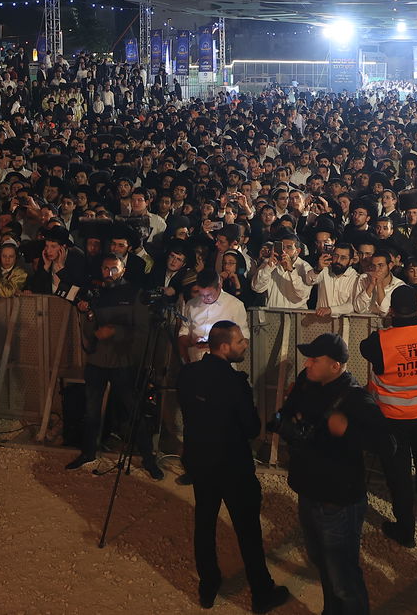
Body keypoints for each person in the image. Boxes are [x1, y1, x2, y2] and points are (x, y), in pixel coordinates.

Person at [176, 320, 290, 613]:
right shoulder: (235, 382)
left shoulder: (188, 375)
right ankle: (262, 593)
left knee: (204, 523)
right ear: (224, 346)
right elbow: (252, 428)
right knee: (248, 531)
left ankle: (208, 584)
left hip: (201, 463)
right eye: (240, 342)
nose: (245, 345)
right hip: (232, 466)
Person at [275, 332, 387, 615]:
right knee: (322, 563)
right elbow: (287, 413)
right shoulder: (306, 380)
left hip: (337, 501)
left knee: (344, 578)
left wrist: (348, 430)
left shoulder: (355, 399)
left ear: (336, 366)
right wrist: (288, 425)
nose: (308, 363)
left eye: (315, 359)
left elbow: (388, 444)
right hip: (308, 491)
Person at [360, 284, 417, 547]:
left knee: (398, 474)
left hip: (393, 417)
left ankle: (406, 529)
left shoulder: (380, 340)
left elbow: (364, 350)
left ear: (392, 310)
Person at [66, 253, 162, 480]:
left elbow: (142, 331)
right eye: (105, 269)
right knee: (91, 412)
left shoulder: (134, 294)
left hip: (123, 363)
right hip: (97, 362)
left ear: (123, 270)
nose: (109, 273)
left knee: (133, 411)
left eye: (114, 269)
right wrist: (86, 316)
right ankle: (88, 453)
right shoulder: (96, 294)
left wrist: (116, 332)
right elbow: (89, 333)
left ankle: (148, 459)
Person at [179, 270, 248, 364]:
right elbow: (183, 334)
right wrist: (192, 341)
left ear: (219, 286)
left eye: (209, 295)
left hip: (223, 366)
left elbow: (244, 339)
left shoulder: (235, 305)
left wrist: (218, 345)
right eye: (201, 294)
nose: (205, 298)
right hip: (195, 363)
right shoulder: (191, 305)